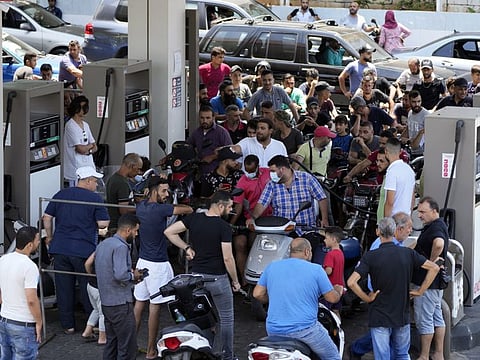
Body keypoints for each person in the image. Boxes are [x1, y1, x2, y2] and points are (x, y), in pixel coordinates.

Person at [347, 217, 439, 360]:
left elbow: (351, 282)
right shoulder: (407, 253)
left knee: (383, 356)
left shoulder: (371, 256)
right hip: (401, 312)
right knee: (402, 354)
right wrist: (421, 290)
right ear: (395, 231)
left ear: (378, 232)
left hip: (379, 313)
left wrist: (367, 298)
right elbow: (434, 268)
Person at [164, 191, 241, 360]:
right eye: (229, 207)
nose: (231, 210)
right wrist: (235, 280)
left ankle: (203, 352)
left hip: (196, 279)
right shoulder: (223, 227)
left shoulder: (194, 219)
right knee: (226, 318)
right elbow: (228, 258)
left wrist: (186, 248)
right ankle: (227, 355)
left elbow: (169, 232)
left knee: (201, 317)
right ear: (220, 206)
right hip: (218, 278)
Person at [43, 166, 110, 334]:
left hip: (60, 248)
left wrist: (50, 237)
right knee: (88, 287)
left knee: (64, 288)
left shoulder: (61, 194)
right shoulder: (95, 199)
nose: (96, 185)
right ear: (87, 181)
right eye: (95, 181)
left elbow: (47, 217)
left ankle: (68, 326)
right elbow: (103, 224)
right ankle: (91, 323)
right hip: (83, 250)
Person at [253, 237, 342, 360]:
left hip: (274, 330)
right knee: (333, 357)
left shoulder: (272, 266)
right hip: (305, 330)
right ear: (307, 252)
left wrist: (273, 298)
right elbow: (332, 298)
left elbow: (257, 294)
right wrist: (338, 291)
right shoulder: (316, 269)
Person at [133, 177, 193, 359]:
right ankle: (151, 351)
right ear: (153, 191)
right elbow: (186, 209)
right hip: (157, 265)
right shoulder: (160, 209)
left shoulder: (141, 206)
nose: (167, 195)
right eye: (164, 191)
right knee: (154, 308)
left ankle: (130, 346)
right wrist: (188, 206)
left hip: (142, 261)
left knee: (139, 305)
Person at [96, 214, 144, 360]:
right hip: (120, 304)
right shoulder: (121, 247)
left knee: (112, 343)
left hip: (107, 302)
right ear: (128, 230)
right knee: (126, 347)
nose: (136, 234)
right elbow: (120, 275)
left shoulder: (104, 244)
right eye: (136, 231)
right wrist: (134, 276)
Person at [247, 155, 329, 228]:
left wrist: (324, 219)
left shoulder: (307, 178)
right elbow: (262, 203)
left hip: (305, 228)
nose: (271, 174)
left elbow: (321, 198)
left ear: (282, 169)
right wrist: (253, 218)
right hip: (281, 230)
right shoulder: (271, 184)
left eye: (273, 171)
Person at [412, 197, 449, 360]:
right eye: (418, 211)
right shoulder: (435, 225)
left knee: (425, 319)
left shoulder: (436, 229)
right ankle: (438, 353)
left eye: (423, 212)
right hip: (436, 282)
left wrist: (431, 262)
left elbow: (439, 244)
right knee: (436, 316)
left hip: (428, 283)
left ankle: (424, 355)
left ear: (434, 211)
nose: (419, 216)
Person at [0, 226, 42, 359]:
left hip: (4, 319)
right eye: (37, 240)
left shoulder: (3, 259)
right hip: (23, 324)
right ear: (30, 245)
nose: (39, 242)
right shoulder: (29, 266)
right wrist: (39, 322)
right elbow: (31, 300)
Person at [230, 154, 272, 286]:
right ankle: (244, 281)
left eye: (251, 171)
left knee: (256, 243)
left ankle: (260, 281)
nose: (248, 174)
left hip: (267, 218)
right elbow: (239, 205)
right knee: (240, 243)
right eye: (246, 171)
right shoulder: (242, 181)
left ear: (258, 167)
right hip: (247, 216)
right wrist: (231, 224)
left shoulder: (268, 173)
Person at [187, 105, 233, 175]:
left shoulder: (222, 132)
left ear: (213, 117)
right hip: (201, 172)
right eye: (202, 118)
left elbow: (231, 150)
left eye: (208, 118)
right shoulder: (196, 133)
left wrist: (213, 157)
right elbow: (187, 146)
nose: (204, 121)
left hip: (218, 174)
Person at [63, 96, 97, 187]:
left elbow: (95, 146)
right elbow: (80, 149)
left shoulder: (86, 125)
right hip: (76, 170)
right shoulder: (70, 126)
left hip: (89, 167)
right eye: (84, 108)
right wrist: (89, 147)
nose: (85, 110)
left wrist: (88, 149)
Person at [106, 153, 142, 231]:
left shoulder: (114, 178)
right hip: (120, 227)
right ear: (132, 166)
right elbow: (124, 210)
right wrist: (142, 208)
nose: (139, 172)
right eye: (138, 169)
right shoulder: (121, 183)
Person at [383, 137, 415, 217]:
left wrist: (386, 224)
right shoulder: (409, 170)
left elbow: (390, 202)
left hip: (395, 220)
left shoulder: (392, 172)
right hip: (406, 218)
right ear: (400, 152)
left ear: (386, 151)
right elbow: (412, 198)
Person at [82, 250, 107, 345]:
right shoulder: (114, 251)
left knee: (96, 309)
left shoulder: (99, 249)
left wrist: (91, 275)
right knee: (103, 313)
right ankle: (102, 337)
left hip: (91, 285)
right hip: (100, 288)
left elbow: (87, 263)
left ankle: (87, 332)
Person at [321, 227, 345, 318]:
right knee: (336, 311)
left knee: (326, 311)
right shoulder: (340, 253)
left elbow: (329, 271)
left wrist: (320, 271)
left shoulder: (330, 254)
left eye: (326, 238)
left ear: (333, 239)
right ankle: (338, 328)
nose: (324, 240)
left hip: (330, 289)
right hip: (340, 288)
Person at [402, 90, 428, 156]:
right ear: (409, 101)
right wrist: (402, 138)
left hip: (422, 152)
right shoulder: (410, 113)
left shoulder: (426, 115)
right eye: (414, 102)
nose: (417, 104)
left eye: (419, 101)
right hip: (411, 149)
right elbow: (408, 128)